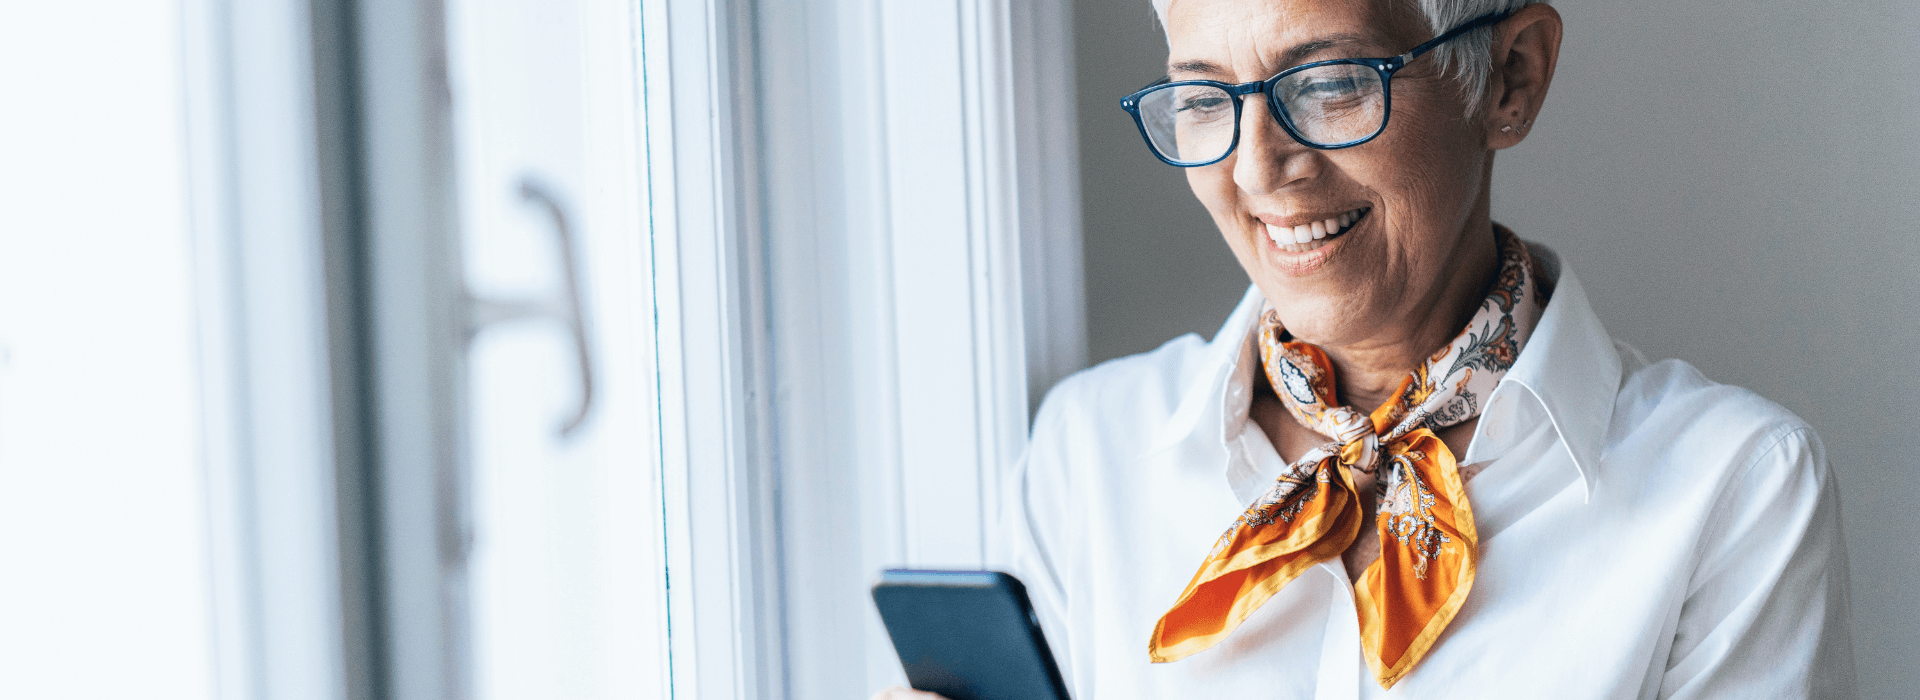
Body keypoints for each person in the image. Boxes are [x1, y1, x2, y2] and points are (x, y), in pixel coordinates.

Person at [877, 0, 1855, 696]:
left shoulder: (1737, 488)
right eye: (1204, 100)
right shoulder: (1084, 458)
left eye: (1333, 83)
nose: (1260, 168)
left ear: (1510, 77)